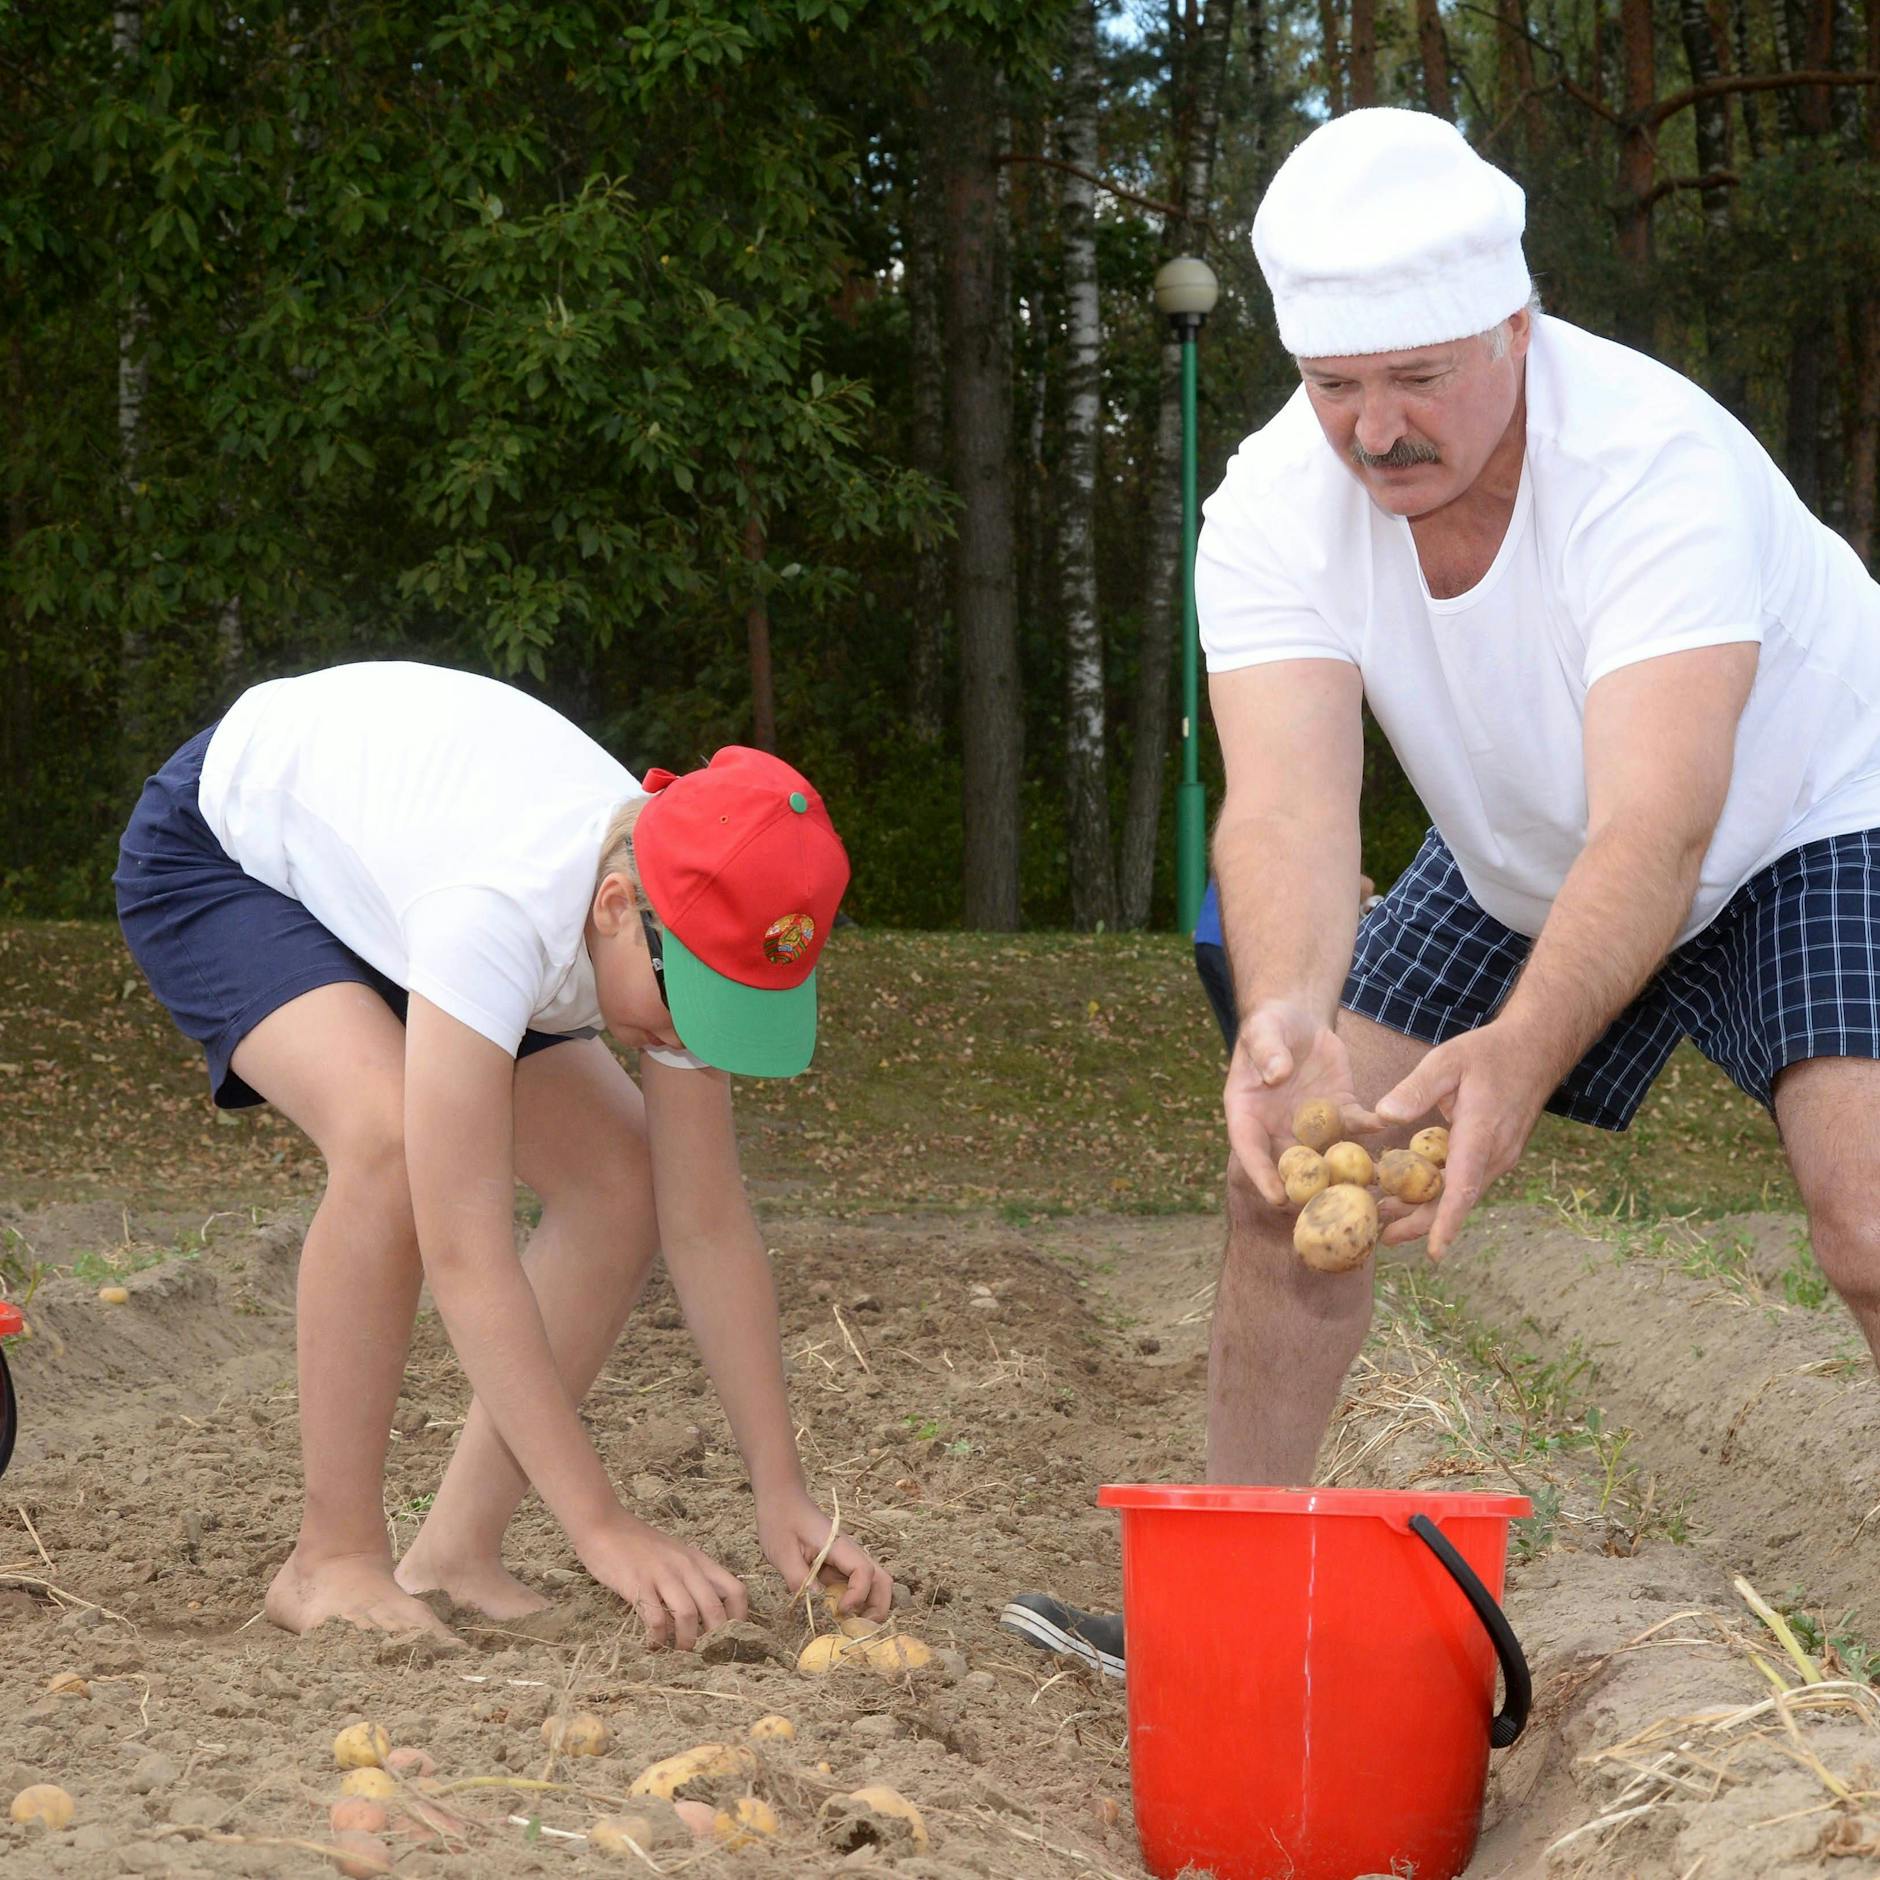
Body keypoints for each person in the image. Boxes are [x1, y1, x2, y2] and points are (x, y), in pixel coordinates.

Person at [1006, 105, 1880, 1677]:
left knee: (1869, 1215)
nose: (1377, 428)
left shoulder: (1650, 463)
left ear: (1516, 329)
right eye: (1338, 385)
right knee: (1289, 1172)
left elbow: (1663, 827)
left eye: (1419, 378)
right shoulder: (1272, 505)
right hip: (1523, 852)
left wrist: (1522, 1053)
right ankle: (1221, 1613)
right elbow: (1283, 801)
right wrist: (1282, 1012)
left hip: (1808, 813)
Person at [115, 660, 894, 1648]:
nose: (688, 1034)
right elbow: (464, 1250)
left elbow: (704, 1217)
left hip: (406, 877)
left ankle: (455, 1552)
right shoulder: (498, 908)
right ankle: (332, 1556)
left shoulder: (677, 912)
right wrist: (598, 1524)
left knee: (621, 1182)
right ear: (617, 905)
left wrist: (780, 1489)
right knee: (391, 1145)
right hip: (230, 855)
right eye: (688, 1001)